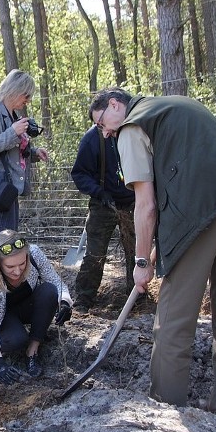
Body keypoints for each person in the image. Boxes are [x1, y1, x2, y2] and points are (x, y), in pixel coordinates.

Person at [92, 87, 216, 419]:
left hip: (204, 209)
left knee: (174, 315)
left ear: (115, 105)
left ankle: (165, 407)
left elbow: (145, 206)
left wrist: (142, 262)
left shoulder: (131, 127)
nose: (105, 133)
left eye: (101, 123)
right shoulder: (182, 105)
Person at [0, 230, 72, 384]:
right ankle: (8, 347)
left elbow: (57, 283)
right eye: (10, 266)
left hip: (28, 307)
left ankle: (32, 351)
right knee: (15, 340)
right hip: (3, 317)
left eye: (22, 264)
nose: (17, 271)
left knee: (50, 291)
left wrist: (64, 302)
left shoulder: (34, 255)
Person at [70, 101, 137, 312]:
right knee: (95, 253)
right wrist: (100, 192)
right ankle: (84, 298)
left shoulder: (135, 133)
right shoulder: (93, 139)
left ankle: (136, 297)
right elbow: (79, 173)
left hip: (134, 202)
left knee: (136, 254)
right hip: (103, 204)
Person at [0, 70, 48, 243]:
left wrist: (34, 153)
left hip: (8, 187)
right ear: (14, 90)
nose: (27, 100)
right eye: (26, 95)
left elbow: (12, 153)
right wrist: (12, 132)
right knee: (0, 245)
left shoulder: (13, 115)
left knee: (9, 244)